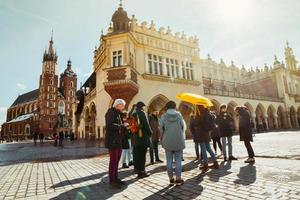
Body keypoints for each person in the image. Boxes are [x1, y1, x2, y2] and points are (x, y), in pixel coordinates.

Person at [160, 101, 185, 186]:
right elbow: (182, 126)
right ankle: (178, 178)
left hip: (167, 140)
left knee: (169, 160)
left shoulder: (163, 116)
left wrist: (161, 139)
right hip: (178, 140)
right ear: (175, 107)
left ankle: (171, 178)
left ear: (167, 107)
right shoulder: (179, 115)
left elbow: (161, 129)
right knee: (178, 160)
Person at [105, 99, 127, 189]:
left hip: (118, 140)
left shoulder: (118, 113)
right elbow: (109, 125)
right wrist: (121, 126)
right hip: (112, 141)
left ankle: (116, 178)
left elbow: (118, 126)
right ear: (118, 105)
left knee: (117, 160)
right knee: (113, 161)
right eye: (123, 105)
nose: (123, 107)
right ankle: (111, 180)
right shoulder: (111, 112)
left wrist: (125, 126)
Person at [195, 105, 219, 174]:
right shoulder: (208, 113)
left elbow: (196, 123)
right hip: (207, 134)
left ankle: (205, 165)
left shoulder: (200, 114)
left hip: (201, 134)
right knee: (208, 148)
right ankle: (215, 163)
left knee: (203, 149)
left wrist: (196, 117)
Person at [132, 101, 152, 179]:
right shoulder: (142, 113)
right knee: (142, 155)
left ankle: (137, 169)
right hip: (143, 138)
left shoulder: (133, 113)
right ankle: (142, 172)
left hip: (136, 138)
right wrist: (150, 133)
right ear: (142, 107)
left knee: (137, 155)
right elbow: (146, 125)